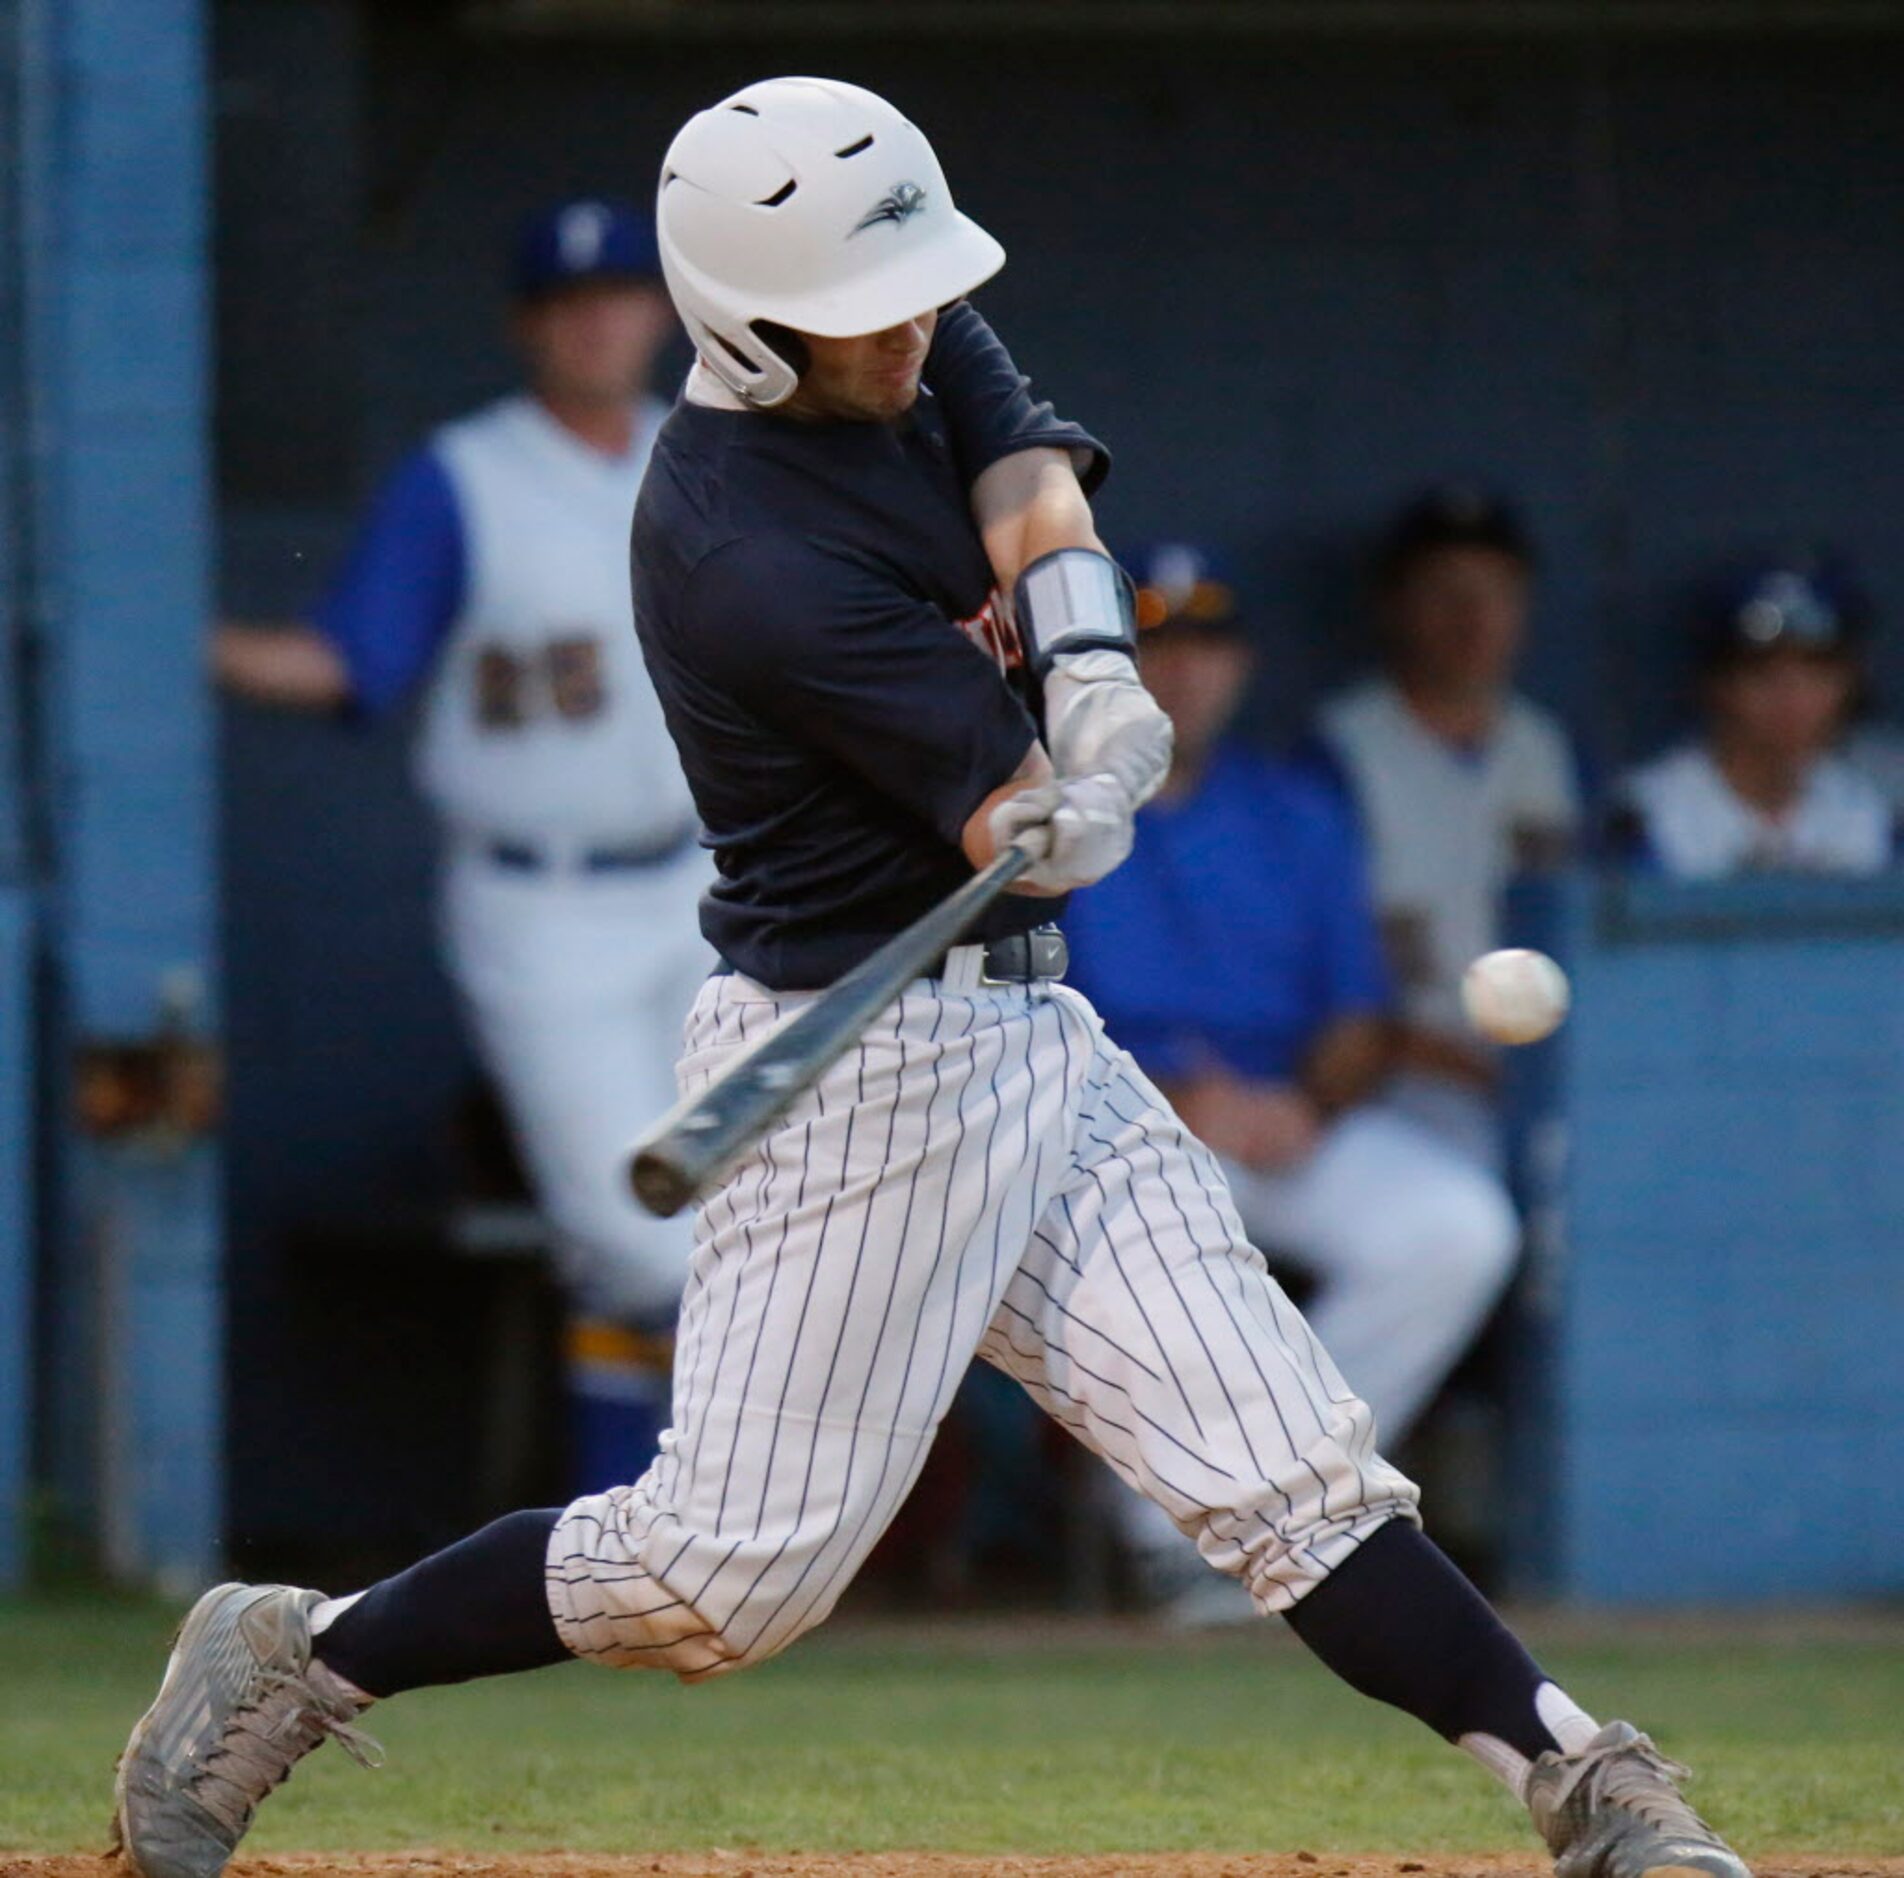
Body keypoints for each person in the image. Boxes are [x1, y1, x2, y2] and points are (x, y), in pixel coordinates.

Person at [113, 79, 1750, 1878]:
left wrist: (1090, 643)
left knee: (1285, 1471)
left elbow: (1024, 466)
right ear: (746, 319)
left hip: (1026, 1031)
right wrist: (1077, 777)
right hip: (855, 1080)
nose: (904, 324)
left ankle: (1582, 1784)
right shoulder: (743, 556)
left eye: (909, 289)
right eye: (857, 312)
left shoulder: (889, 304)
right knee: (712, 1578)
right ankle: (294, 1647)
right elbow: (1012, 819)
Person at [213, 199, 710, 1490]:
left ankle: (666, 1542)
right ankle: (631, 1535)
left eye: (620, 295)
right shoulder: (468, 475)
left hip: (705, 882)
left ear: (659, 311)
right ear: (525, 326)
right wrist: (172, 637)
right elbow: (345, 661)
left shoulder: (707, 455)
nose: (600, 321)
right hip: (540, 901)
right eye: (569, 302)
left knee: (735, 1226)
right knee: (638, 1230)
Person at [1063, 545, 1518, 1620]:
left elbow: (1362, 1014)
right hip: (1115, 1132)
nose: (1183, 672)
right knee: (1158, 1234)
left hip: (1283, 1121)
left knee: (1457, 1227)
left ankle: (1262, 1515)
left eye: (1208, 647)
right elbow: (1017, 1026)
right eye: (1157, 645)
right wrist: (1181, 1105)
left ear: (1239, 667)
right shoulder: (1051, 809)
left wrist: (1303, 1104)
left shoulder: (1292, 808)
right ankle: (1177, 1535)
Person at [1312, 489, 1580, 1170]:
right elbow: (1323, 972)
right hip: (1402, 1073)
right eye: (1445, 593)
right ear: (1394, 606)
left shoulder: (1546, 748)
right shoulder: (1339, 752)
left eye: (1497, 594)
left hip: (1549, 1061)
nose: (1474, 620)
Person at [1612, 559, 1896, 878]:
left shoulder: (1868, 810)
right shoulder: (1650, 813)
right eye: (1763, 674)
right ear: (1717, 685)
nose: (1793, 698)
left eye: (1816, 673)